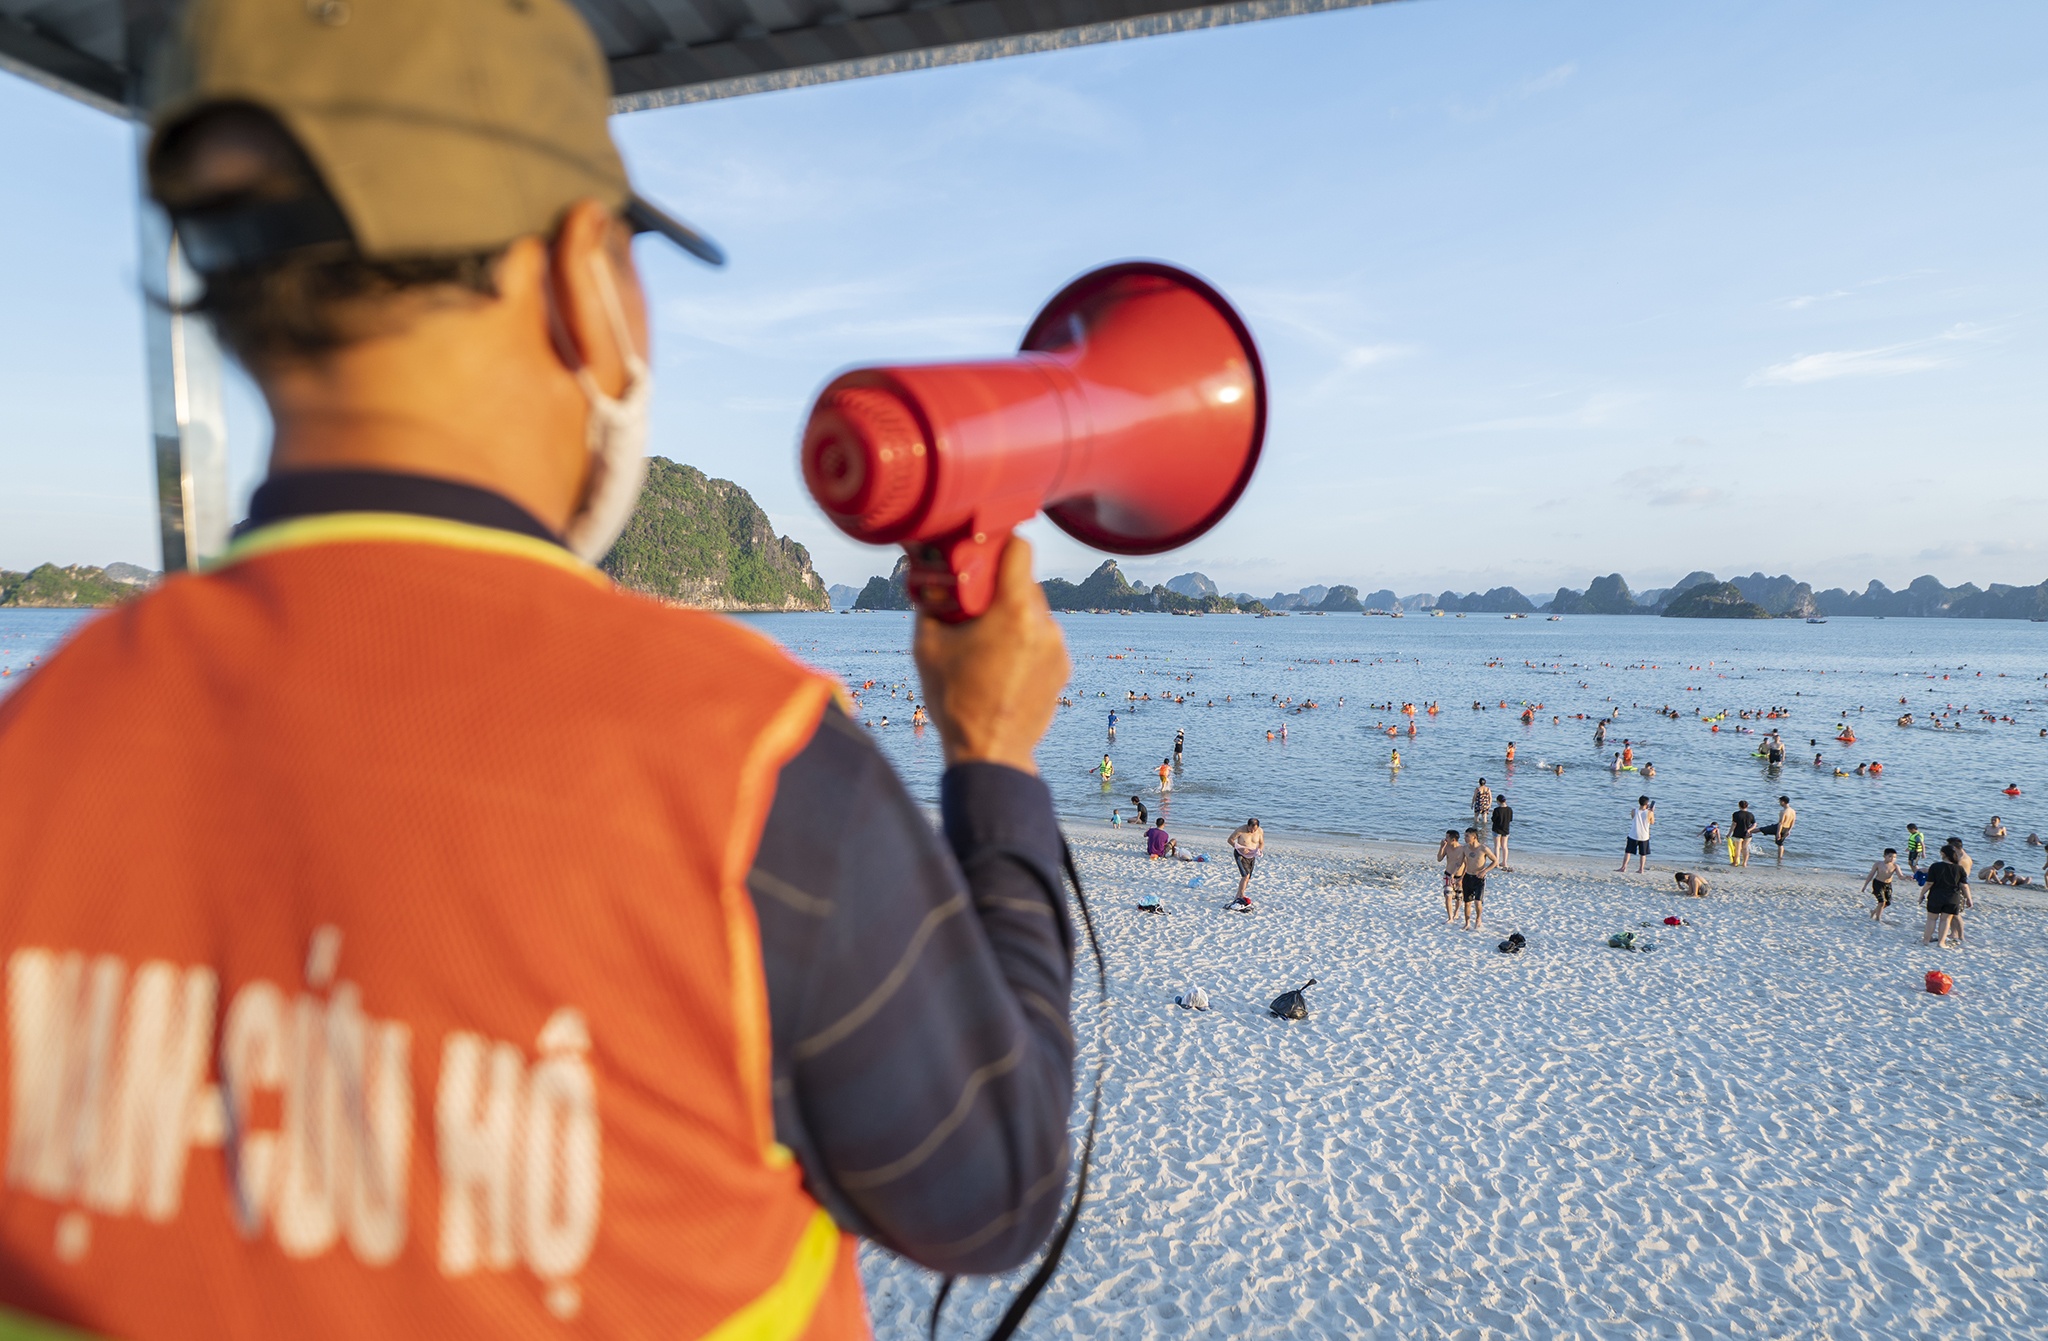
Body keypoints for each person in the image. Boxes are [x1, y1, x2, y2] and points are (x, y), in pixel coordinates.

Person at [0, 6, 1081, 1332]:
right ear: (583, 273)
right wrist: (995, 757)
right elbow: (992, 1187)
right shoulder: (747, 772)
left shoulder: (36, 740)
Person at [1924, 842, 1971, 947]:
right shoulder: (1959, 868)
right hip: (1952, 897)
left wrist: (1921, 894)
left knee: (1931, 919)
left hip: (1936, 896)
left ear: (1943, 854)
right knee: (1945, 920)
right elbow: (1964, 886)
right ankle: (1941, 942)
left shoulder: (1935, 866)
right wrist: (1969, 898)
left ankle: (1926, 940)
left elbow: (1929, 883)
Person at [1458, 828, 1499, 930]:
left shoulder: (1483, 848)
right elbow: (1460, 863)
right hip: (1467, 877)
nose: (1465, 838)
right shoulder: (1465, 848)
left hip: (1478, 878)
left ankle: (1478, 919)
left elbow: (1495, 861)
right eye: (1465, 836)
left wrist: (1485, 871)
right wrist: (1455, 876)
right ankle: (1467, 923)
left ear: (1474, 837)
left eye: (1467, 836)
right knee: (1467, 902)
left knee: (1477, 901)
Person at [1228, 818, 1265, 908]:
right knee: (1245, 876)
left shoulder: (1260, 831)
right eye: (1251, 829)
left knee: (1248, 878)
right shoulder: (1240, 830)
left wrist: (1259, 850)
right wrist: (1240, 848)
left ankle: (1238, 895)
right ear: (1247, 825)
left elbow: (1261, 843)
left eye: (1254, 829)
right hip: (1240, 854)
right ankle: (1241, 896)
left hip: (1251, 855)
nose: (1252, 831)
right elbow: (1230, 840)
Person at [1862, 848, 1902, 921]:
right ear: (1884, 856)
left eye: (1894, 857)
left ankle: (1874, 911)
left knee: (1887, 903)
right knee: (1881, 901)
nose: (1892, 859)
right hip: (1878, 883)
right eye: (1890, 856)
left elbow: (1900, 876)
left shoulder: (1895, 866)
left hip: (1888, 885)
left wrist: (1907, 877)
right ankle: (1878, 919)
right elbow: (1871, 874)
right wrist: (1865, 885)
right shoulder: (1878, 864)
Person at [1618, 795, 1655, 873]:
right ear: (1647, 804)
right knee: (1643, 854)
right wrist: (1652, 811)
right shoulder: (1649, 813)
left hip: (1633, 834)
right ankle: (1641, 869)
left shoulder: (1634, 811)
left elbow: (1633, 818)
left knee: (1628, 852)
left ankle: (1623, 867)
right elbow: (1652, 822)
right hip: (1644, 836)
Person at [1435, 828, 1463, 922]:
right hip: (1448, 874)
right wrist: (1442, 847)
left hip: (1459, 877)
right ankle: (1450, 917)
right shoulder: (1447, 847)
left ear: (1453, 839)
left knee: (1459, 897)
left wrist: (1462, 877)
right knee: (1448, 896)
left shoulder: (1462, 849)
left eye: (1447, 838)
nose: (1445, 839)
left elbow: (1465, 864)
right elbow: (1439, 859)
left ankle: (1456, 913)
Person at [1490, 793, 1514, 871]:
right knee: (1504, 846)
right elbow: (1510, 819)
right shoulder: (1509, 809)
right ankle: (1504, 862)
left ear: (1498, 801)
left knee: (1497, 846)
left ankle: (1496, 863)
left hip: (1497, 829)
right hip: (1506, 829)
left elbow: (1493, 819)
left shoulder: (1497, 810)